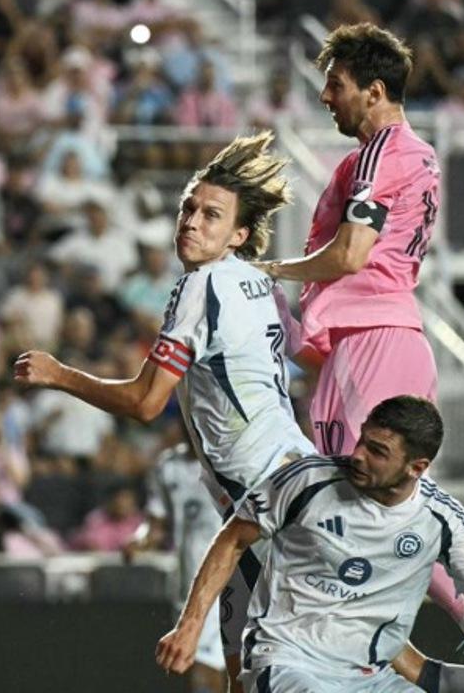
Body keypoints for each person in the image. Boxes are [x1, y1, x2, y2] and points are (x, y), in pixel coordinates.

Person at [15, 132, 312, 686]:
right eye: (188, 209)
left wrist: (60, 375)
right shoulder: (260, 283)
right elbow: (305, 354)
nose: (191, 222)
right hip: (292, 479)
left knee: (277, 673)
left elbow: (145, 401)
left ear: (239, 235)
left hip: (263, 497)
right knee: (248, 670)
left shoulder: (199, 286)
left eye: (211, 215)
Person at [257, 25, 464, 664]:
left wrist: (270, 271)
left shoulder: (386, 153)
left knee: (366, 495)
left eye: (336, 84)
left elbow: (352, 255)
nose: (325, 97)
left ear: (375, 90)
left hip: (376, 343)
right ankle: (450, 648)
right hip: (371, 339)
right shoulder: (395, 155)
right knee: (364, 504)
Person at [155, 397, 464, 693]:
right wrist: (189, 627)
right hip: (288, 663)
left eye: (377, 451)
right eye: (363, 439)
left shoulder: (443, 521)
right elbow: (232, 539)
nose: (358, 455)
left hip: (372, 678)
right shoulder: (307, 481)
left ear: (417, 467)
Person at [125, 437, 230, 693]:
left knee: (228, 667)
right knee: (199, 664)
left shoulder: (231, 459)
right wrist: (141, 540)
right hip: (191, 580)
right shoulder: (168, 465)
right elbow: (156, 521)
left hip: (233, 575)